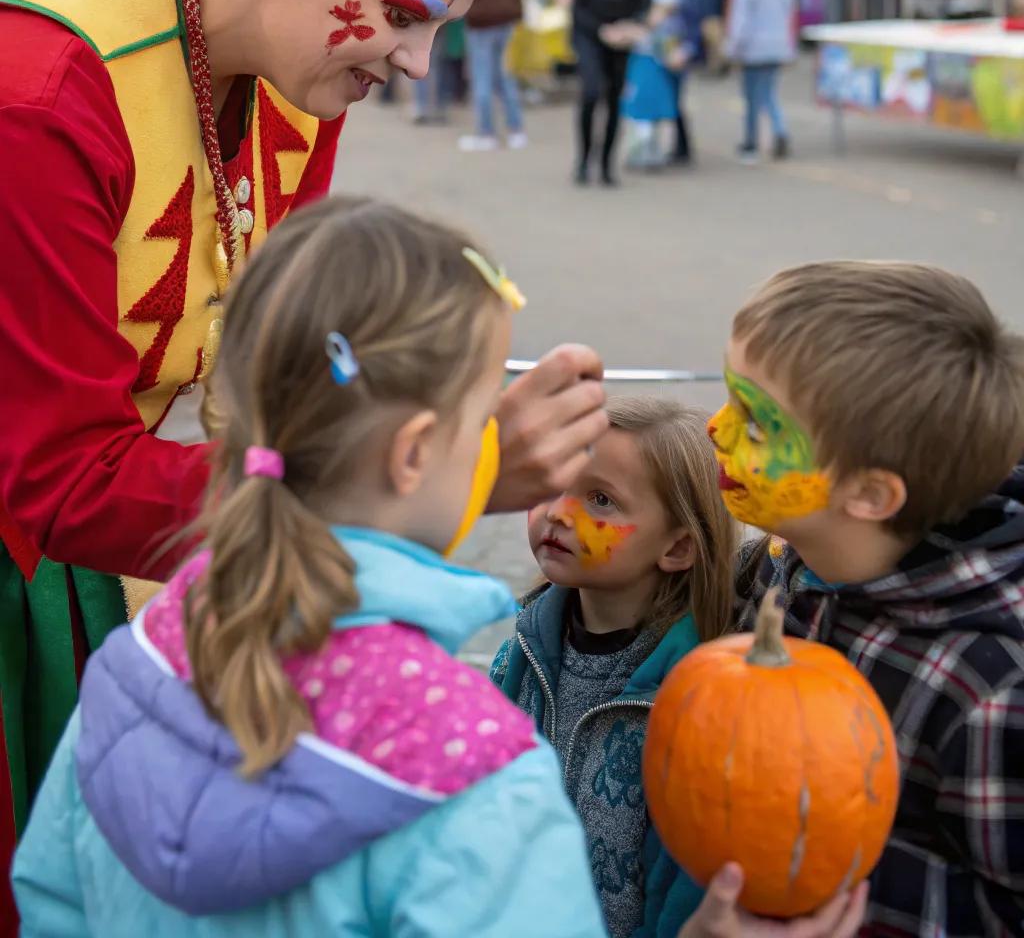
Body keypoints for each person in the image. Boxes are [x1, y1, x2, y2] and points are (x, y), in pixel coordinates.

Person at [0, 0, 607, 923]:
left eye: (443, 24)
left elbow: (285, 358)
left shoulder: (287, 61)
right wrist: (454, 474)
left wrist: (436, 401)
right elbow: (49, 481)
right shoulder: (36, 96)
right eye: (403, 12)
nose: (415, 59)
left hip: (167, 561)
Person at [14, 202, 865, 938]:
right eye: (483, 419)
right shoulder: (473, 766)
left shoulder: (144, 656)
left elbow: (51, 897)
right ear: (417, 452)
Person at [710, 261, 1024, 937]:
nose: (713, 429)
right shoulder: (787, 560)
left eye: (755, 423)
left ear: (870, 496)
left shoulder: (991, 686)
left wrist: (814, 878)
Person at [491, 399, 738, 937]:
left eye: (600, 500)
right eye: (557, 484)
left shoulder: (695, 702)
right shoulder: (521, 652)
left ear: (677, 547)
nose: (559, 511)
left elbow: (687, 891)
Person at [572, 0, 648, 186]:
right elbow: (578, 8)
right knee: (592, 93)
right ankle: (583, 160)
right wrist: (603, 31)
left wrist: (632, 26)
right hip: (591, 35)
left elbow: (644, 0)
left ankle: (606, 164)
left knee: (616, 98)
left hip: (622, 38)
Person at [623, 0, 704, 169]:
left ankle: (679, 146)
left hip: (676, 52)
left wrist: (687, 50)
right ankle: (647, 149)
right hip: (647, 51)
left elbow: (695, 22)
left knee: (674, 98)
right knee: (648, 99)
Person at [725, 0, 797, 163]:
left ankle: (751, 143)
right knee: (769, 93)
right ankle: (779, 130)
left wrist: (733, 48)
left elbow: (741, 20)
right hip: (777, 46)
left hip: (753, 48)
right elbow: (790, 13)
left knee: (751, 98)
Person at [459, 0, 527, 151]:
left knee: (482, 79)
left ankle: (486, 132)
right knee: (505, 76)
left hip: (480, 24)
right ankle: (516, 130)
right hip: (506, 21)